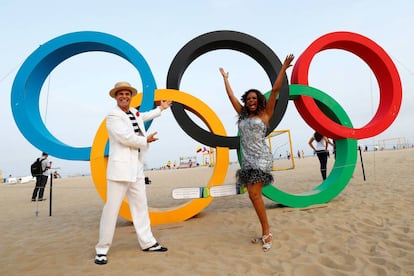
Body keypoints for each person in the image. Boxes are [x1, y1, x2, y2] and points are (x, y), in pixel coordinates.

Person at [219, 54, 295, 252]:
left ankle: (267, 230)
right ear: (246, 102)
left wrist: (284, 69)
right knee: (253, 196)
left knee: (254, 193)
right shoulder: (243, 114)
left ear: (259, 100)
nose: (251, 100)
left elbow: (276, 89)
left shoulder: (265, 113)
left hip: (261, 157)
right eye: (249, 98)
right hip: (247, 159)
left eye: (255, 97)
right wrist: (226, 79)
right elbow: (231, 97)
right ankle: (264, 231)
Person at [94, 81, 172, 265]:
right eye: (120, 94)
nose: (124, 97)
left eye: (127, 94)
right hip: (119, 169)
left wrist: (161, 109)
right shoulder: (113, 115)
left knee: (140, 206)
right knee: (111, 210)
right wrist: (146, 139)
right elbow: (125, 137)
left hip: (136, 167)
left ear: (131, 96)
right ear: (116, 96)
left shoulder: (133, 112)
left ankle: (148, 242)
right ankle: (101, 250)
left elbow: (142, 116)